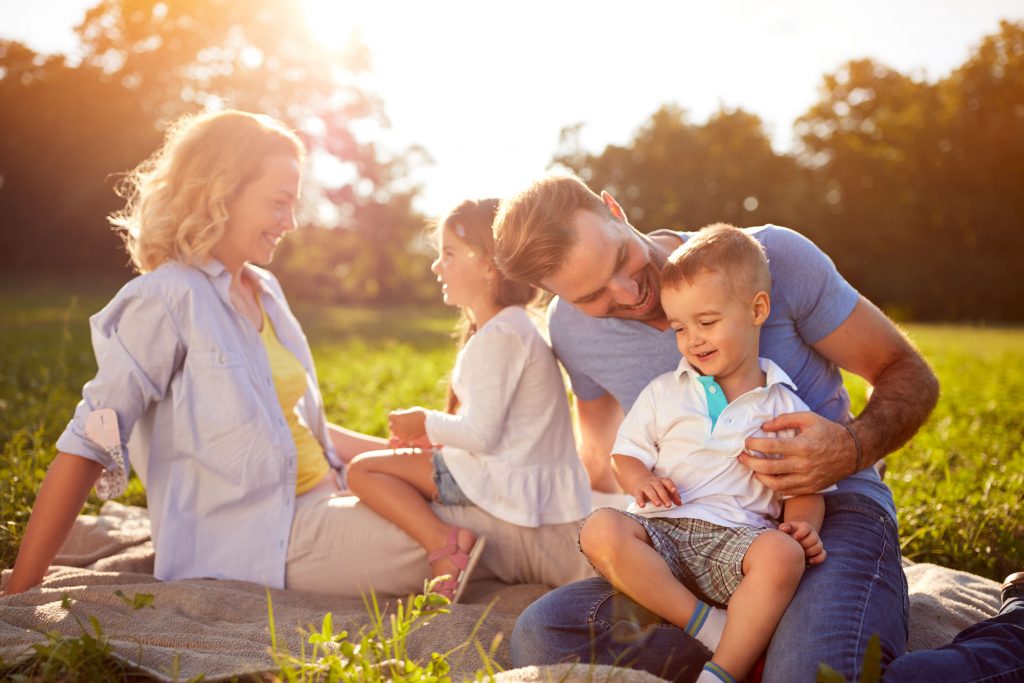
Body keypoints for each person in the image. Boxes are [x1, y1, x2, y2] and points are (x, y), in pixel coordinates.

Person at [0, 113, 591, 599]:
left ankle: (618, 544)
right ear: (220, 194)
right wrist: (24, 587)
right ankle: (604, 559)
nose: (292, 221)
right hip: (266, 536)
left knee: (478, 503)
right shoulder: (165, 299)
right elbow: (92, 439)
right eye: (279, 203)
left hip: (324, 496)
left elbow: (296, 430)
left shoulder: (265, 291)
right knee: (475, 528)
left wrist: (406, 451)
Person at [492, 174, 938, 681]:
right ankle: (738, 648)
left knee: (811, 675)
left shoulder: (772, 259)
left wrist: (852, 446)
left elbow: (908, 372)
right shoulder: (572, 330)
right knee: (543, 635)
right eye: (592, 295)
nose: (628, 293)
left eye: (620, 261)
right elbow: (601, 453)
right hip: (686, 530)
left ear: (615, 209)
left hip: (824, 513)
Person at [579, 225, 829, 683]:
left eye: (707, 322)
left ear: (757, 310)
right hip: (660, 535)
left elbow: (806, 487)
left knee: (784, 556)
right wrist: (639, 482)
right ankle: (711, 627)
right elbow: (625, 456)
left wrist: (804, 525)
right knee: (600, 527)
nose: (693, 339)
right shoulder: (663, 392)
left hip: (734, 544)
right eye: (679, 328)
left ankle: (721, 673)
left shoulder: (784, 404)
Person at [346, 198, 591, 602]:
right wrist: (439, 438)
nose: (436, 266)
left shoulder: (498, 337)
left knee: (362, 473)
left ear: (488, 265)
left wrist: (423, 422)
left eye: (449, 254)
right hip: (517, 475)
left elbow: (481, 434)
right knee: (387, 466)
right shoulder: (516, 327)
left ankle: (444, 543)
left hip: (499, 480)